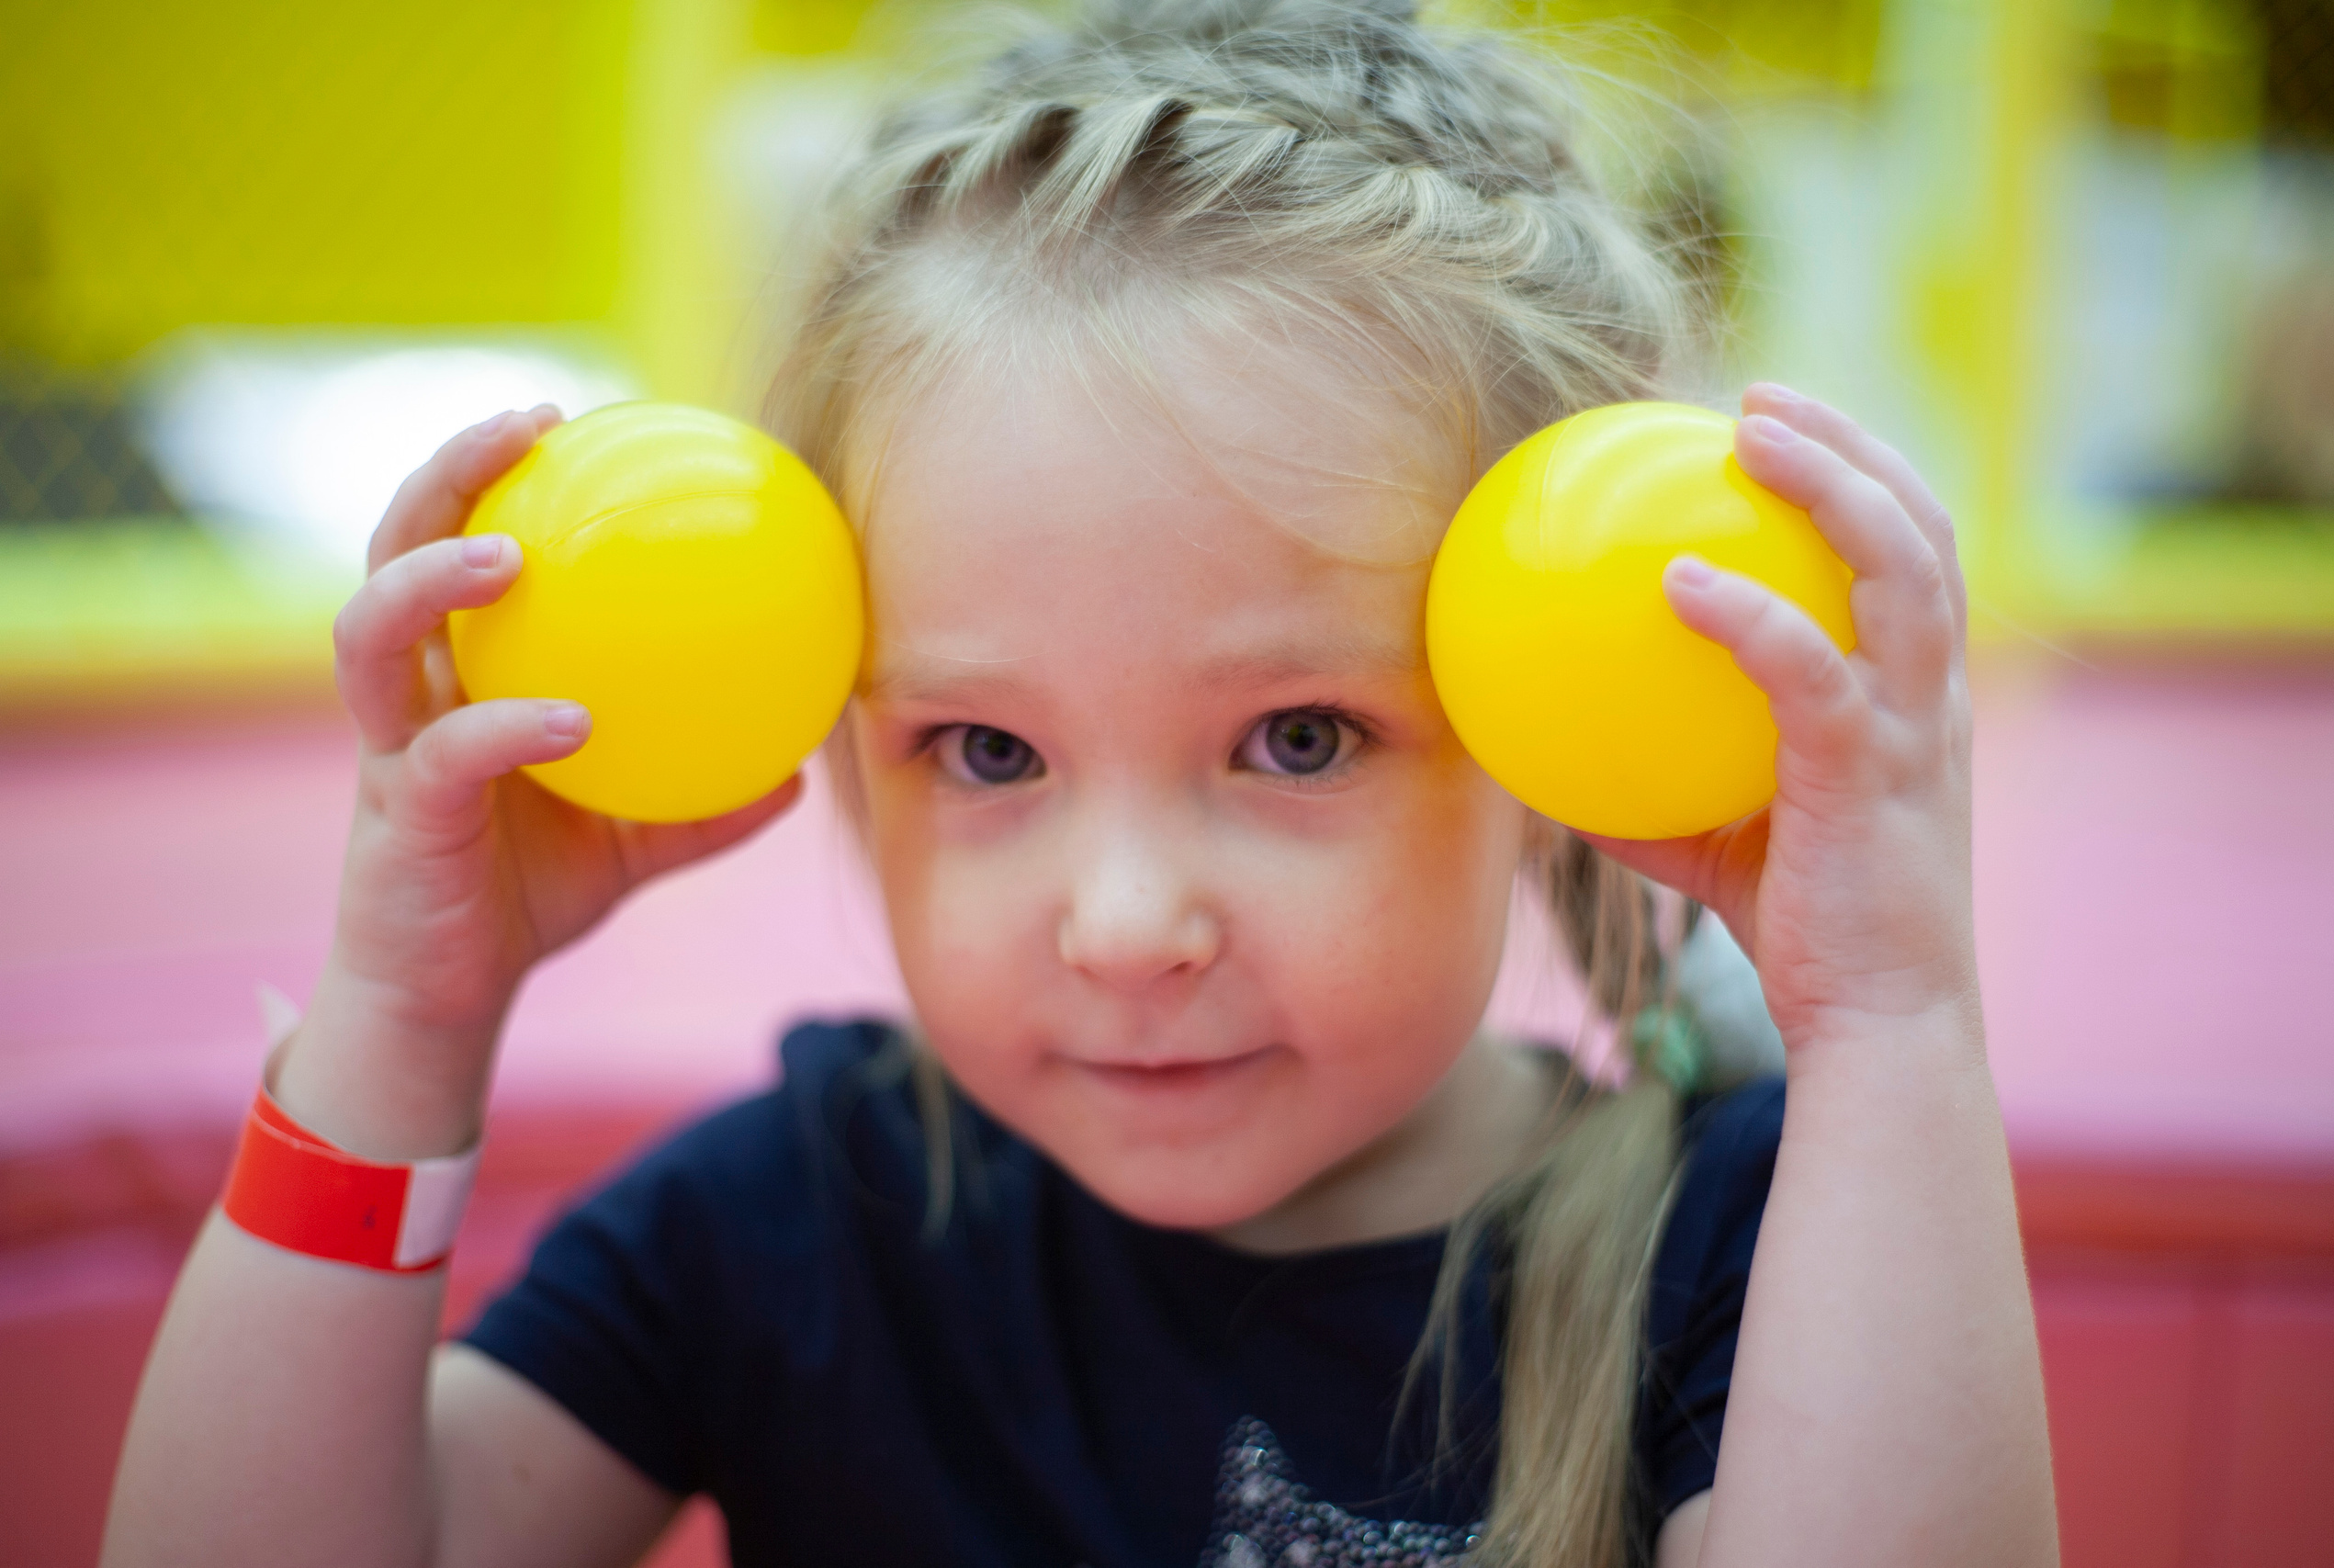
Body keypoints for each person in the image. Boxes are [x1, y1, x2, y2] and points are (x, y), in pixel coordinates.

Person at [102, 3, 2058, 1565]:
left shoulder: (1723, 1246)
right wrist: (397, 1029)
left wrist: (1888, 1013)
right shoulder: (801, 1218)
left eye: (1296, 737)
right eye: (989, 749)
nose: (1125, 926)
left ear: (1552, 720)